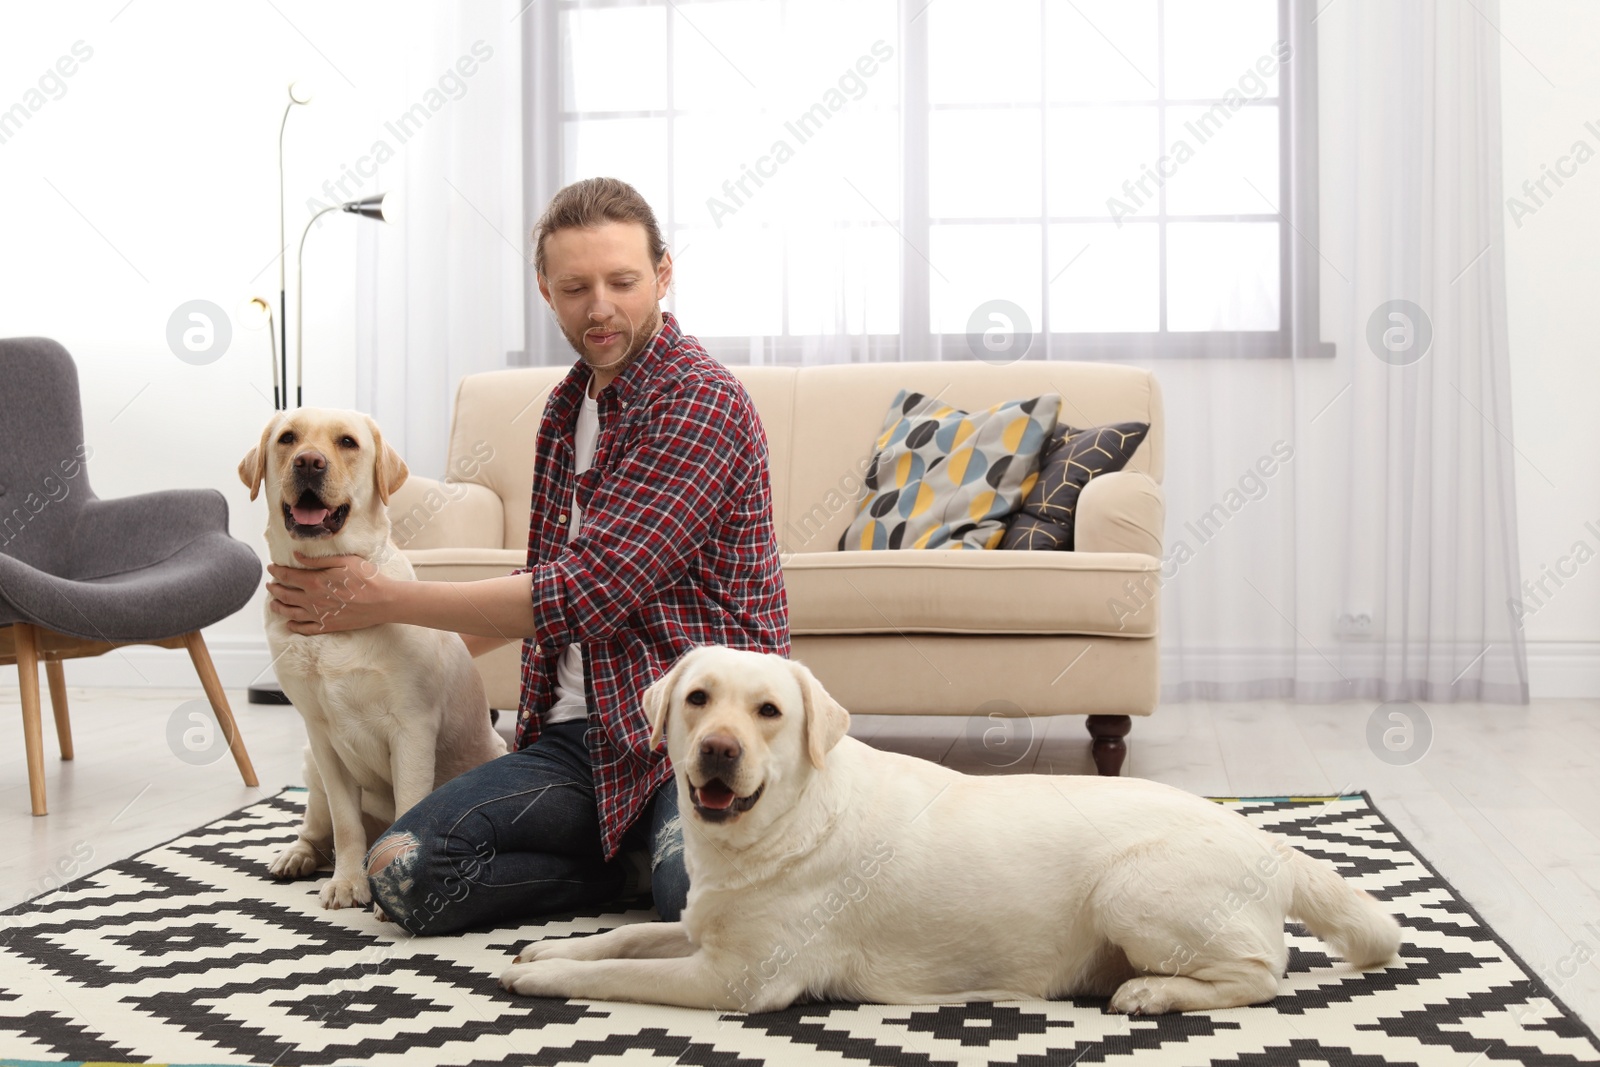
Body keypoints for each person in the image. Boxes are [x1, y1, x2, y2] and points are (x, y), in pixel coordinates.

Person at [263, 177, 790, 934]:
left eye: (623, 281)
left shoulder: (699, 402)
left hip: (693, 735)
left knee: (699, 910)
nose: (599, 306)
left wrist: (384, 598)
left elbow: (591, 590)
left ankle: (657, 856)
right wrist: (405, 641)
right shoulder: (565, 408)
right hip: (578, 743)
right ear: (545, 289)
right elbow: (546, 578)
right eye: (575, 286)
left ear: (664, 276)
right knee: (403, 866)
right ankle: (620, 863)